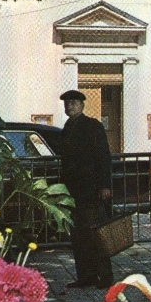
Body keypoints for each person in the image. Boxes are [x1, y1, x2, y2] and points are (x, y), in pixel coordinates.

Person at [58, 89, 114, 289]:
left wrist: (105, 185)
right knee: (79, 236)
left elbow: (103, 157)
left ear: (82, 105)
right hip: (74, 191)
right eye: (67, 104)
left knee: (95, 234)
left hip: (91, 189)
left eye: (73, 103)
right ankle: (86, 276)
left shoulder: (92, 126)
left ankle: (105, 276)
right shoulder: (67, 128)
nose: (69, 106)